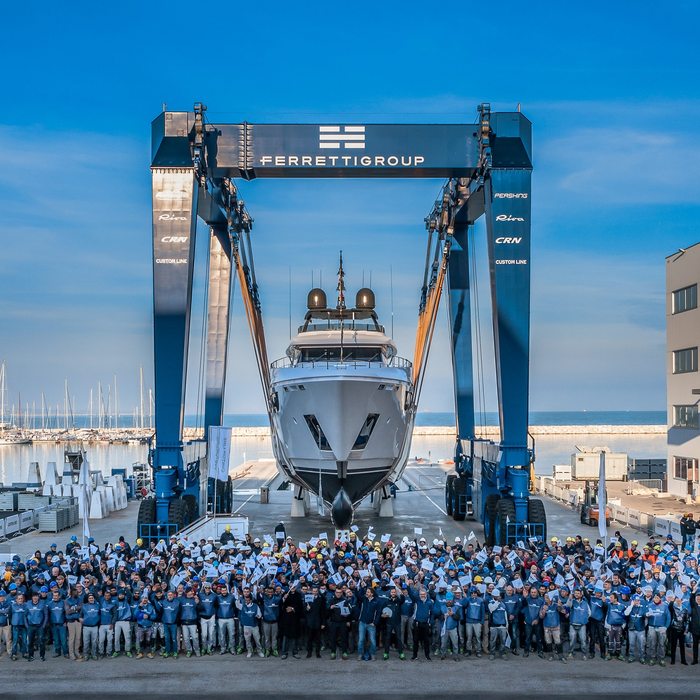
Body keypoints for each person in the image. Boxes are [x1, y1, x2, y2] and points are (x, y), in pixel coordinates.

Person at [236, 587, 265, 658]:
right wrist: (239, 596)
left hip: (254, 626)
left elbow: (259, 615)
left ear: (251, 600)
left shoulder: (256, 606)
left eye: (248, 600)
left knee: (257, 640)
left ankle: (259, 651)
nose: (246, 602)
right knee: (247, 640)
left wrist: (258, 616)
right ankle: (249, 651)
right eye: (245, 600)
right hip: (246, 626)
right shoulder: (242, 606)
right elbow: (236, 604)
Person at [645, 592, 670, 667]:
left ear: (660, 598)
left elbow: (668, 617)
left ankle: (662, 659)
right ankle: (653, 658)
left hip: (661, 627)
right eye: (655, 597)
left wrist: (666, 627)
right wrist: (646, 615)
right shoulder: (650, 605)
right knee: (653, 644)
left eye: (657, 598)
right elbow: (645, 614)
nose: (656, 599)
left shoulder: (665, 606)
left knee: (662, 644)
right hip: (652, 627)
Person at [409, 586, 433, 661]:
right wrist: (407, 586)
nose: (422, 595)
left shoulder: (430, 603)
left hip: (426, 623)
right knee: (415, 640)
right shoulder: (417, 601)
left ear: (426, 594)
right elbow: (411, 594)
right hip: (417, 623)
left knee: (426, 641)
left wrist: (430, 622)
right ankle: (414, 655)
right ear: (419, 595)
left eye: (424, 594)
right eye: (421, 594)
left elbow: (432, 613)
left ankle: (427, 655)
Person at [357, 586, 381, 661]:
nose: (366, 593)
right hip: (362, 622)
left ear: (372, 594)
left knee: (373, 640)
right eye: (366, 592)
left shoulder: (377, 601)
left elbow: (378, 613)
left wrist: (375, 623)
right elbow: (358, 595)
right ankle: (360, 654)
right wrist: (362, 587)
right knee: (361, 639)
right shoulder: (364, 599)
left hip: (371, 624)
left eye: (368, 592)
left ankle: (372, 654)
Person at [26, 590, 48, 662]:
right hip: (31, 626)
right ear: (32, 597)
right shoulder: (28, 604)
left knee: (41, 642)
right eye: (33, 596)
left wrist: (43, 625)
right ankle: (31, 656)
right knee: (30, 642)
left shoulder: (42, 604)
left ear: (38, 597)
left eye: (36, 596)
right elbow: (24, 616)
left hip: (40, 626)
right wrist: (27, 625)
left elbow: (46, 615)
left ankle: (42, 656)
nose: (35, 598)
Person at [47, 589, 68, 658]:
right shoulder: (50, 604)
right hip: (53, 625)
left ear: (59, 596)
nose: (55, 597)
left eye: (56, 596)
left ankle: (65, 653)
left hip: (62, 625)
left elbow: (66, 613)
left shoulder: (63, 602)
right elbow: (48, 614)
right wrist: (49, 623)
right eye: (54, 595)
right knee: (56, 640)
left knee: (64, 639)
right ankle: (57, 652)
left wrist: (66, 622)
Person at [80, 593, 101, 661]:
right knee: (86, 642)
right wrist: (80, 619)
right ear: (88, 599)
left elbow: (100, 614)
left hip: (95, 626)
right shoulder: (84, 606)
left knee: (94, 642)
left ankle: (94, 654)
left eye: (92, 598)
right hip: (86, 627)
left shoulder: (98, 606)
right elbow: (80, 616)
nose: (91, 599)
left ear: (94, 598)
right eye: (89, 598)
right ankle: (86, 655)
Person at [668, 596, 688, 665]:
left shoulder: (685, 609)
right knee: (673, 645)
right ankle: (673, 660)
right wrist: (672, 600)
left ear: (681, 600)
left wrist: (686, 630)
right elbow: (670, 606)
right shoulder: (673, 608)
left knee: (682, 646)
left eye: (680, 600)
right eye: (677, 600)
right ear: (676, 600)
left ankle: (683, 660)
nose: (678, 601)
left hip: (682, 630)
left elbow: (687, 621)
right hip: (674, 629)